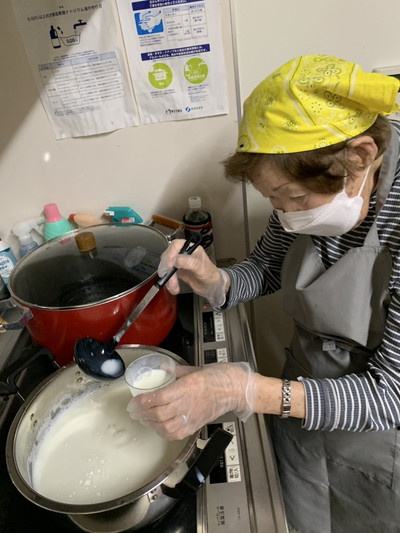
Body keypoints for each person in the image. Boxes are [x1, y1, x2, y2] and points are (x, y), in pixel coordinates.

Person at [127, 54, 400, 533]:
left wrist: (245, 390)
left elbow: (389, 397)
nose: (285, 214)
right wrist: (217, 282)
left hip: (374, 435)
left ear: (360, 157)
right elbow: (267, 268)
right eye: (273, 200)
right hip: (301, 393)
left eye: (294, 199)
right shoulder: (304, 196)